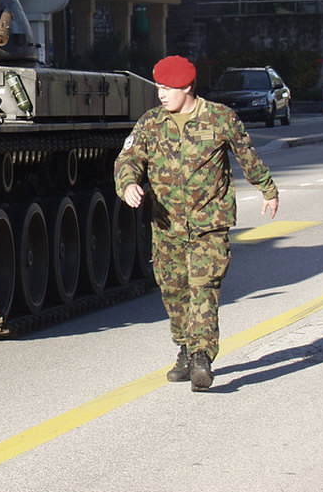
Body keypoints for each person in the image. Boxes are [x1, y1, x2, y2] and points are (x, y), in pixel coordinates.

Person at [114, 55, 279, 392]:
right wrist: (128, 183)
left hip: (209, 223)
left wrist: (267, 189)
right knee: (174, 292)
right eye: (159, 87)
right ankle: (186, 348)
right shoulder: (150, 123)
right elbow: (128, 158)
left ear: (187, 87)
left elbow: (247, 155)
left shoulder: (220, 118)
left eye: (168, 88)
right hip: (166, 225)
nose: (161, 94)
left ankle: (202, 355)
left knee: (203, 287)